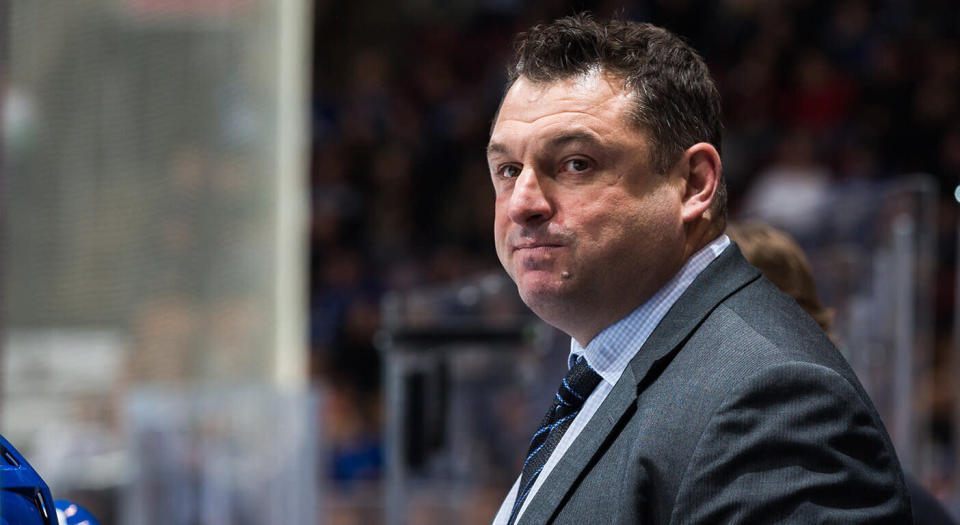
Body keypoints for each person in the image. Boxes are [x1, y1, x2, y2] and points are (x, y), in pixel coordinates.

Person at [486, 13, 911, 524]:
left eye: (576, 163)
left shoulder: (776, 401)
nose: (522, 203)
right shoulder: (605, 367)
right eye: (508, 170)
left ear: (693, 184)